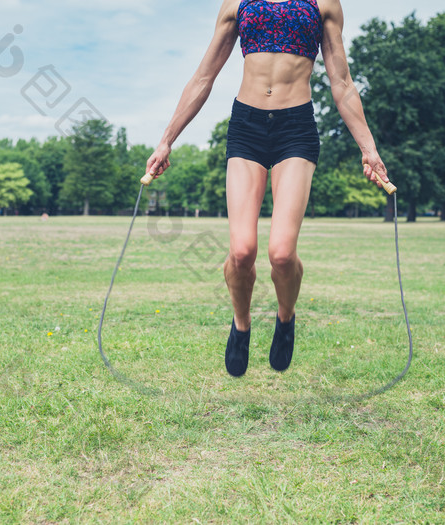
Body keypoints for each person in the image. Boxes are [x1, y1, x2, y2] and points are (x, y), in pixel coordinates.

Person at [146, 0, 390, 377]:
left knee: (280, 253)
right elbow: (202, 78)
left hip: (296, 129)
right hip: (247, 126)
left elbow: (341, 83)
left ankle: (285, 317)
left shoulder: (323, 3)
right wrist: (166, 141)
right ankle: (241, 324)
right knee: (242, 251)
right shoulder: (238, 3)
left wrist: (369, 149)